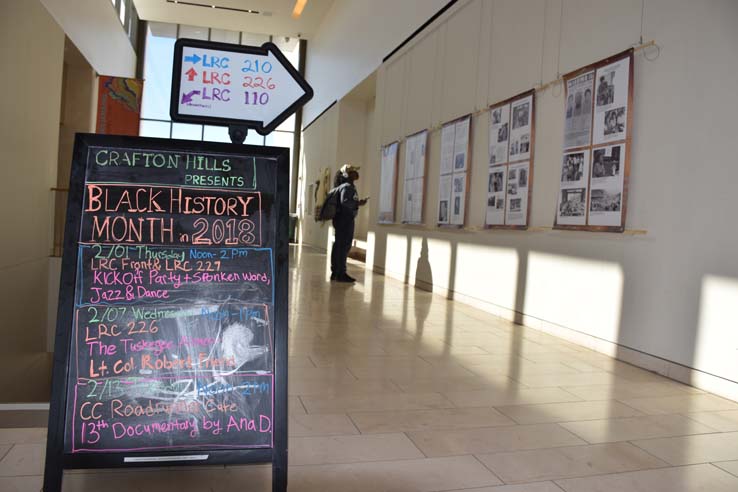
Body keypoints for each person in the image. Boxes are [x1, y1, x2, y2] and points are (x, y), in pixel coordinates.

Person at [330, 164, 368, 282]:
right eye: (353, 171)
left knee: (339, 245)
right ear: (347, 174)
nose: (356, 173)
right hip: (345, 220)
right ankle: (341, 273)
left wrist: (357, 203)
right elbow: (345, 202)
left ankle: (336, 272)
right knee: (344, 246)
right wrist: (359, 203)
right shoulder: (347, 187)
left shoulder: (347, 186)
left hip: (342, 219)